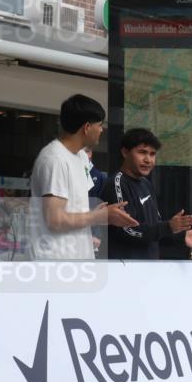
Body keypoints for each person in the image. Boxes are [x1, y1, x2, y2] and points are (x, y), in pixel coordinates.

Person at [29, 94, 137, 259]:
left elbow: (74, 209)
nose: (102, 130)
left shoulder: (81, 156)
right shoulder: (55, 159)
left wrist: (100, 215)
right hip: (55, 262)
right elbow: (54, 220)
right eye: (100, 125)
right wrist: (97, 216)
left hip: (78, 259)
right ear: (87, 127)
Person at [102, 128, 192, 259]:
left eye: (152, 154)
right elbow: (127, 230)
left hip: (151, 266)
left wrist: (181, 235)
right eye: (142, 152)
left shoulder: (146, 184)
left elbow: (154, 228)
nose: (148, 160)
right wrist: (168, 227)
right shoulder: (116, 184)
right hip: (125, 268)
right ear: (125, 152)